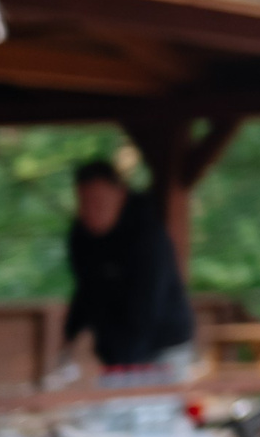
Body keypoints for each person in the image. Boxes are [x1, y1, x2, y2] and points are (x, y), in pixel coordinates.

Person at [64, 160, 196, 376]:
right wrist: (71, 336)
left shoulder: (147, 236)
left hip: (163, 344)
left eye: (99, 202)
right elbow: (86, 289)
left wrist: (125, 369)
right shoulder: (81, 237)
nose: (91, 211)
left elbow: (147, 305)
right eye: (84, 203)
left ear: (120, 195)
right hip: (114, 349)